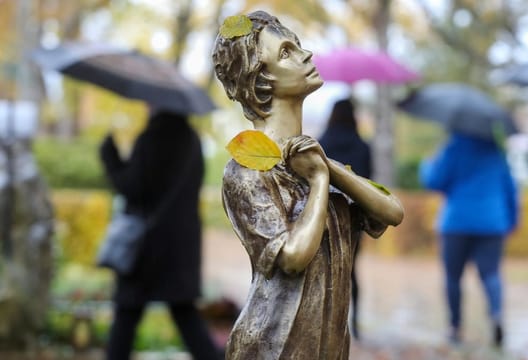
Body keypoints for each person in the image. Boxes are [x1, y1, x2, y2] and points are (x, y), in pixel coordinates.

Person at [212, 11, 404, 359]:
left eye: (298, 46)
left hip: (328, 345)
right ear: (260, 82)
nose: (306, 55)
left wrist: (331, 169)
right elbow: (292, 258)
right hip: (274, 345)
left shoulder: (316, 160)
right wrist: (319, 182)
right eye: (286, 52)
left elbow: (392, 212)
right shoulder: (246, 172)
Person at [99, 110, 222, 359]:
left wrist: (110, 155)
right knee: (185, 314)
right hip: (180, 245)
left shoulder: (150, 139)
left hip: (145, 246)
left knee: (126, 317)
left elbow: (131, 188)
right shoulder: (192, 140)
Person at [418, 132, 518, 347]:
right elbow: (510, 187)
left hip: (457, 222)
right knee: (491, 274)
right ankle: (496, 315)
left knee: (453, 277)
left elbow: (434, 181)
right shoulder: (496, 152)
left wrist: (427, 164)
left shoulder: (453, 148)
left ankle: (455, 327)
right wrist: (512, 220)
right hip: (492, 221)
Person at [318, 98, 372, 340]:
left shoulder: (321, 144)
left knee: (323, 268)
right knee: (350, 270)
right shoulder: (363, 148)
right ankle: (354, 324)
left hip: (323, 216)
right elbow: (368, 183)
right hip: (352, 217)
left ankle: (322, 321)